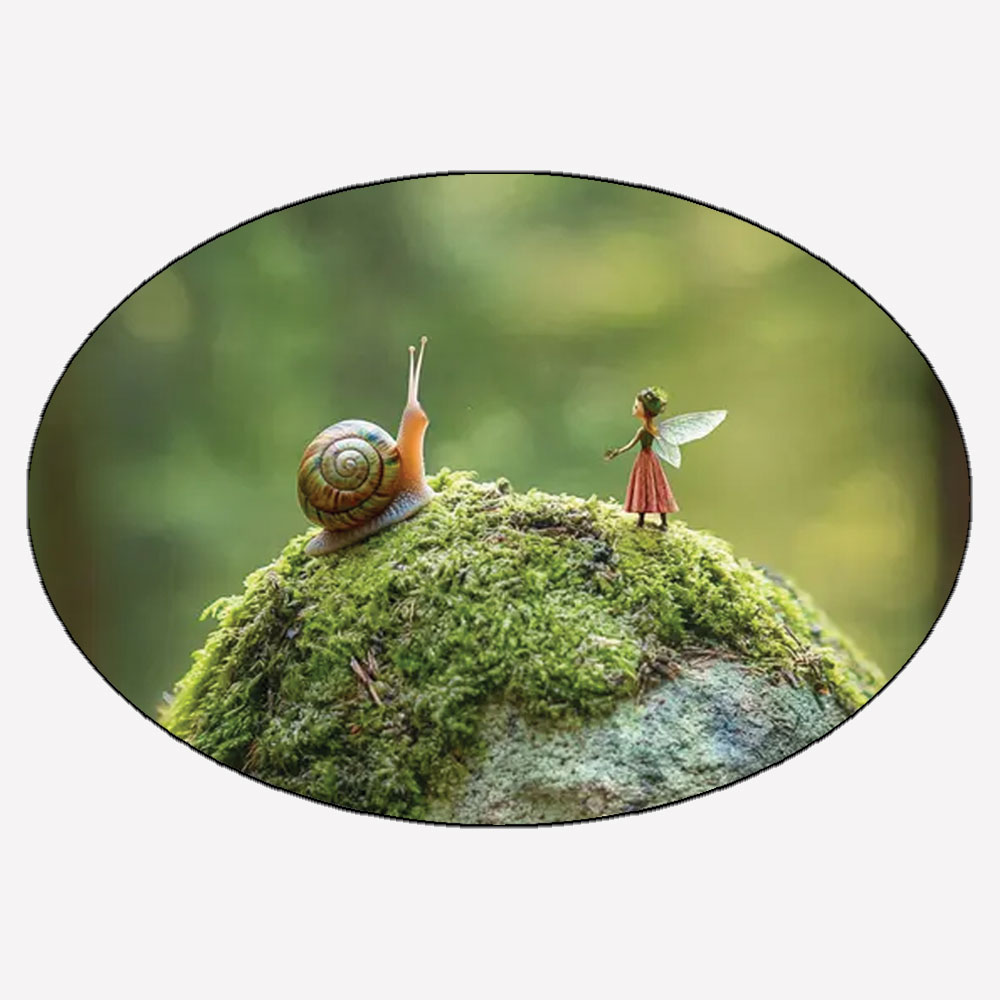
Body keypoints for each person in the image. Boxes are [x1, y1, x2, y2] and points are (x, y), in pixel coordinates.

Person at [604, 386, 679, 529]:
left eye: (636, 407)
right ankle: (661, 521)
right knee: (657, 486)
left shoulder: (644, 430)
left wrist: (618, 452)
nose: (633, 409)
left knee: (643, 486)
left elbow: (631, 444)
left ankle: (643, 520)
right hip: (652, 459)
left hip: (645, 459)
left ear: (645, 411)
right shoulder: (654, 430)